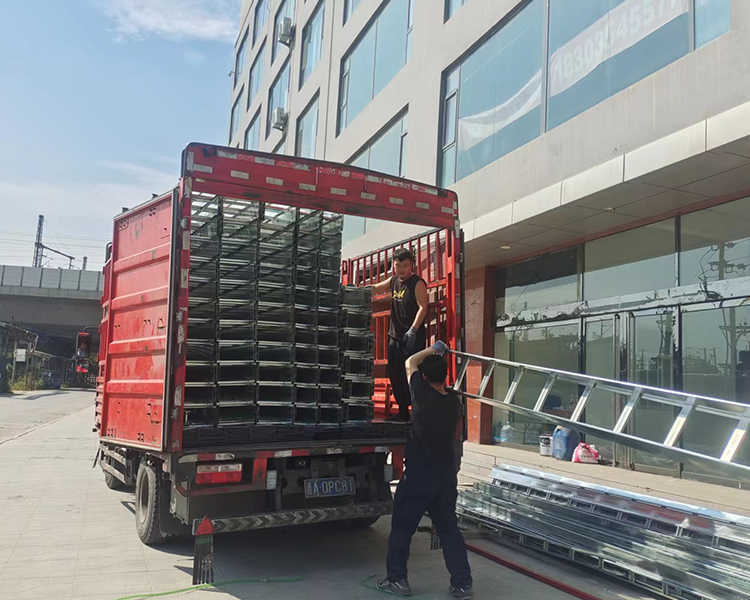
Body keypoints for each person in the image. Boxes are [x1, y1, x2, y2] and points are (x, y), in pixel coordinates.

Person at [378, 341, 473, 599]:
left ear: (424, 378)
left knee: (402, 528)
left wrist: (433, 348)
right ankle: (462, 584)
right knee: (449, 529)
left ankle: (397, 579)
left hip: (420, 475)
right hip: (445, 476)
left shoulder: (422, 394)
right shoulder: (454, 402)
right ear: (445, 377)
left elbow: (409, 362)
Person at [369, 248, 428, 422]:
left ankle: (416, 412)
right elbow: (375, 288)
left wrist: (413, 330)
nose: (401, 269)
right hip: (394, 336)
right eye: (397, 265)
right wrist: (356, 290)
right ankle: (402, 412)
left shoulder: (417, 283)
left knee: (410, 375)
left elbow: (423, 307)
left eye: (405, 265)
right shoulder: (394, 280)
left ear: (412, 265)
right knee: (395, 375)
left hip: (411, 337)